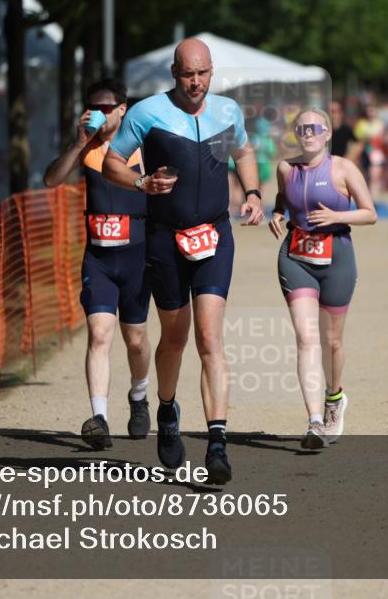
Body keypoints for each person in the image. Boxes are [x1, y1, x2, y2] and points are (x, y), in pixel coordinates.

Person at [103, 39, 264, 484]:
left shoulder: (228, 111)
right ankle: (168, 408)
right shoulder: (146, 113)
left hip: (214, 235)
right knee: (174, 338)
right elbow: (112, 162)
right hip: (164, 239)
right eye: (188, 75)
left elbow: (244, 152)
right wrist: (140, 184)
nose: (196, 83)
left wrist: (252, 193)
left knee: (210, 338)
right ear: (174, 73)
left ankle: (217, 442)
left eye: (203, 74)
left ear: (212, 73)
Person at [44, 79, 152, 450]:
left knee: (135, 340)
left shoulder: (143, 147)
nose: (99, 114)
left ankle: (139, 396)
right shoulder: (87, 150)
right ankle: (100, 418)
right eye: (93, 107)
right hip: (100, 257)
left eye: (107, 108)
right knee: (99, 334)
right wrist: (77, 142)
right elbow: (51, 179)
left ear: (123, 109)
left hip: (138, 256)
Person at [268, 109, 377, 448]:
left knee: (331, 342)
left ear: (327, 133)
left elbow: (370, 213)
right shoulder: (287, 168)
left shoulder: (343, 168)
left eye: (313, 128)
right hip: (296, 257)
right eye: (300, 129)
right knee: (305, 337)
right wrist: (276, 213)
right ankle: (314, 422)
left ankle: (334, 398)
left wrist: (336, 215)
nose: (307, 133)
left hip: (337, 257)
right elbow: (284, 199)